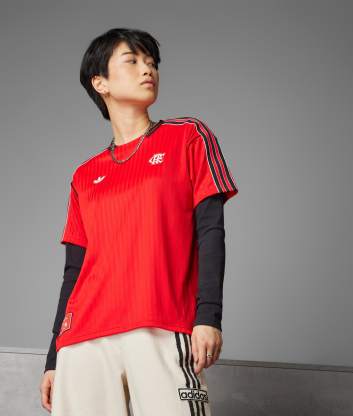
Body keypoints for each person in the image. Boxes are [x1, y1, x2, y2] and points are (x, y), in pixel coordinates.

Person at [39, 27, 238, 415]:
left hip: (161, 324)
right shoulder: (84, 175)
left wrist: (208, 317)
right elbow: (74, 271)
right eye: (132, 61)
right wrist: (53, 357)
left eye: (152, 63)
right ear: (100, 82)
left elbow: (211, 231)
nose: (148, 69)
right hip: (84, 339)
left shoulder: (188, 137)